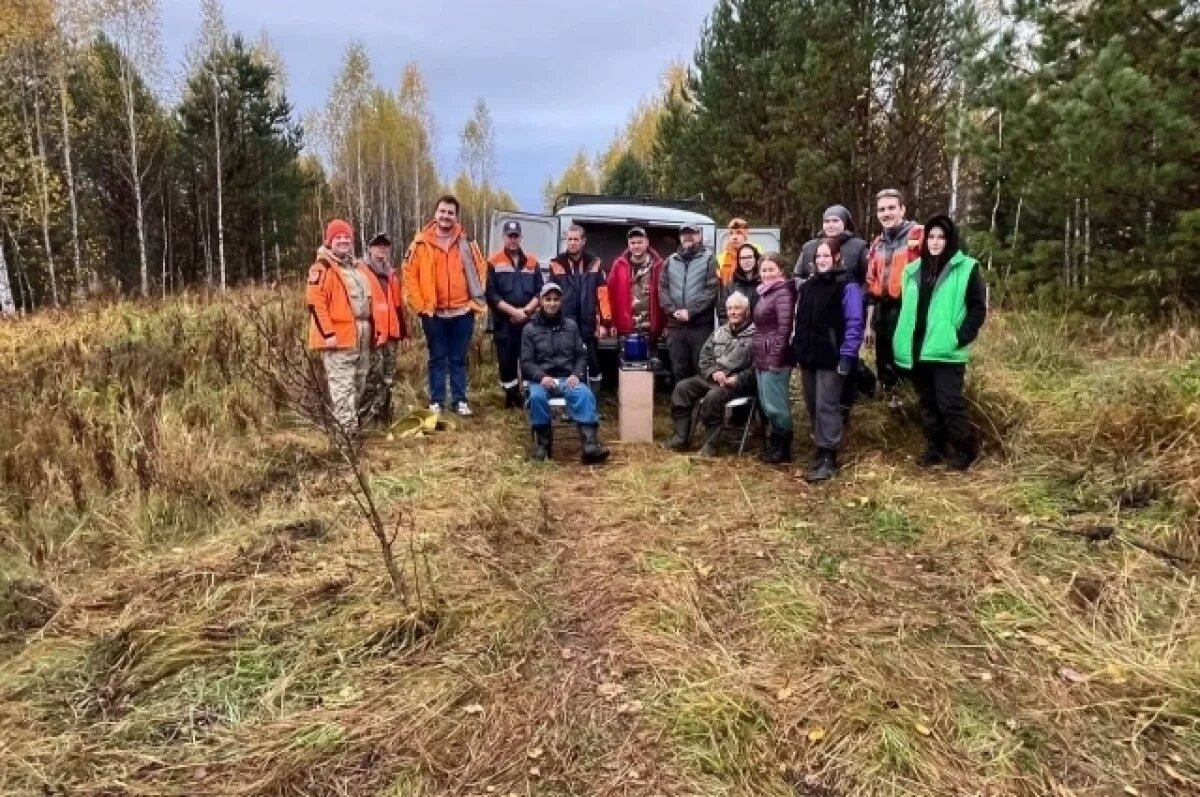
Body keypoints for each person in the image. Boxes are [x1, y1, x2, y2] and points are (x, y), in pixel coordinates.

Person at [894, 214, 987, 471]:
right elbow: (906, 309)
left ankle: (965, 450)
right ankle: (935, 448)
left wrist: (959, 337)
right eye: (931, 237)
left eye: (941, 237)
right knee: (927, 404)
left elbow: (978, 309)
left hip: (946, 349)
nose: (935, 242)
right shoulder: (913, 270)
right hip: (917, 347)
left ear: (950, 240)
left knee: (949, 403)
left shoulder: (966, 267)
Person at [403, 194, 488, 416]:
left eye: (450, 213)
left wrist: (473, 303)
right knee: (437, 357)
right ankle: (437, 401)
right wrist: (422, 308)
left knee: (459, 358)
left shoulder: (467, 242)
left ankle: (460, 400)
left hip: (463, 311)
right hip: (434, 313)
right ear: (435, 213)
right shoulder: (420, 243)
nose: (446, 216)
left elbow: (481, 270)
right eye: (442, 211)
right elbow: (410, 277)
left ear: (456, 216)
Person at [306, 219, 388, 434]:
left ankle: (351, 430)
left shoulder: (357, 268)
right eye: (338, 237)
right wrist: (328, 334)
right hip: (337, 339)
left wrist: (377, 330)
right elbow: (315, 303)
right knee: (342, 388)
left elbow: (371, 302)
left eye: (346, 237)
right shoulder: (322, 267)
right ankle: (346, 438)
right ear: (329, 241)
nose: (343, 241)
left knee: (358, 384)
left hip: (361, 337)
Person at [793, 237, 865, 483]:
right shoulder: (808, 286)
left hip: (833, 357)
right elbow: (800, 320)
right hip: (810, 356)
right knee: (813, 405)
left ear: (836, 258)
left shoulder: (847, 285)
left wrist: (847, 355)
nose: (822, 260)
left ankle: (829, 456)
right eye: (818, 257)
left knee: (828, 405)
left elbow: (855, 322)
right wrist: (798, 349)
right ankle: (819, 449)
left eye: (826, 256)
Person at [795, 204, 873, 418]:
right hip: (816, 314)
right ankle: (824, 431)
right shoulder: (810, 247)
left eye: (835, 220)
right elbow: (797, 275)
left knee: (844, 372)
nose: (830, 224)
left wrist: (856, 298)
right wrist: (812, 288)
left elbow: (868, 280)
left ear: (845, 222)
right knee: (816, 393)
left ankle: (844, 413)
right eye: (827, 220)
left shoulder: (858, 247)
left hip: (845, 314)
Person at [521, 283, 611, 464]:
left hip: (567, 377)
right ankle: (543, 447)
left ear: (560, 302)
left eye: (555, 300)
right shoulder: (530, 329)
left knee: (584, 393)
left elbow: (581, 355)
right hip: (541, 380)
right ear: (540, 302)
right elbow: (526, 362)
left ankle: (590, 446)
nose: (552, 303)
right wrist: (541, 377)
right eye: (548, 299)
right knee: (537, 398)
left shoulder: (571, 326)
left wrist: (577, 374)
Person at [665, 292, 757, 456]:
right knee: (682, 388)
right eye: (729, 309)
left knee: (713, 398)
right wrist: (713, 372)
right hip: (712, 378)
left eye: (737, 308)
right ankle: (681, 438)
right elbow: (704, 357)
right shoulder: (719, 332)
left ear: (747, 311)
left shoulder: (756, 336)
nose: (733, 312)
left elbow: (757, 368)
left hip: (736, 384)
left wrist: (736, 379)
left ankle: (710, 445)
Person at [865, 189, 924, 408]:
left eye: (891, 208)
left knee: (907, 356)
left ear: (902, 209)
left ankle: (913, 403)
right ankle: (892, 402)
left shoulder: (919, 236)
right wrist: (868, 324)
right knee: (884, 358)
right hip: (882, 307)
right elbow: (871, 284)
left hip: (909, 307)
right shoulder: (877, 244)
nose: (886, 213)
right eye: (882, 209)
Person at [485, 220, 542, 408]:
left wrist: (525, 311)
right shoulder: (493, 262)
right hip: (504, 322)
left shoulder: (533, 262)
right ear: (504, 237)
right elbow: (492, 295)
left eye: (516, 236)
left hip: (528, 321)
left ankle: (529, 395)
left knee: (528, 359)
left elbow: (540, 292)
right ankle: (511, 395)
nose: (513, 239)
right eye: (509, 236)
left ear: (521, 238)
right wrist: (513, 312)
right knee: (507, 360)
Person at [547, 225, 611, 391]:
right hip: (564, 325)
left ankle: (594, 400)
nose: (572, 243)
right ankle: (569, 400)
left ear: (584, 241)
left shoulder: (594, 263)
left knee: (593, 365)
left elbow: (603, 296)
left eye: (576, 239)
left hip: (588, 325)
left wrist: (605, 323)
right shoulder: (556, 264)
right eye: (569, 239)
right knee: (567, 365)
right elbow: (549, 297)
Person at [659, 222, 719, 384]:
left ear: (699, 236)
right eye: (684, 234)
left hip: (700, 326)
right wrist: (672, 311)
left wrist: (690, 312)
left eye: (692, 233)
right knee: (679, 370)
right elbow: (663, 289)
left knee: (701, 369)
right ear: (680, 237)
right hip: (676, 327)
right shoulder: (670, 261)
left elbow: (711, 290)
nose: (688, 237)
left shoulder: (709, 259)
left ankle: (700, 408)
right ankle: (681, 408)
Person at [359, 232, 409, 427]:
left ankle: (384, 419)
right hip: (373, 334)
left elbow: (397, 306)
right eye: (378, 245)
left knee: (388, 379)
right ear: (370, 249)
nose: (382, 248)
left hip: (391, 335)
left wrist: (402, 332)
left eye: (385, 246)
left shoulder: (392, 274)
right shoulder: (361, 271)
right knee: (371, 378)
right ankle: (365, 421)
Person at [753, 253, 797, 464]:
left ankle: (783, 448)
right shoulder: (765, 293)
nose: (767, 274)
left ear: (780, 270)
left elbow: (784, 329)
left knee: (776, 406)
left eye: (771, 269)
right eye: (764, 270)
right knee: (767, 403)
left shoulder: (782, 293)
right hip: (762, 356)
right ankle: (775, 445)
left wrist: (774, 358)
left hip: (775, 359)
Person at [607, 226, 666, 342]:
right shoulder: (619, 265)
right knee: (624, 360)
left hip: (651, 331)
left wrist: (666, 325)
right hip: (625, 331)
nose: (636, 246)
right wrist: (610, 323)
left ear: (647, 242)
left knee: (651, 360)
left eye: (640, 242)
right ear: (628, 245)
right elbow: (610, 294)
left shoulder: (659, 265)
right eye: (633, 243)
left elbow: (666, 296)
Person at [721, 243, 762, 316]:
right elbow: (723, 312)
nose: (746, 261)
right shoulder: (730, 287)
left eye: (749, 257)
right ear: (738, 261)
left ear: (755, 259)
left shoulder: (764, 284)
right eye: (742, 258)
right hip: (736, 327)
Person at [717, 218, 758, 285]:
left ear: (746, 236)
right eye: (731, 233)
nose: (734, 237)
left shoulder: (756, 255)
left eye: (739, 233)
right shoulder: (721, 259)